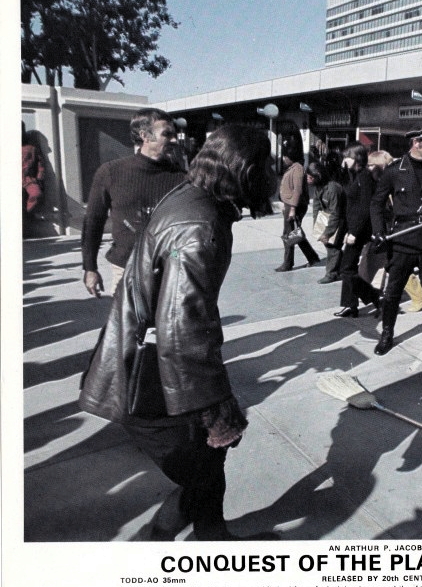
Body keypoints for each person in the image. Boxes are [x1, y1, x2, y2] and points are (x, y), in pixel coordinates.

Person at [80, 125, 278, 541]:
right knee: (204, 469)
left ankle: (207, 540)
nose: (272, 174)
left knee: (206, 471)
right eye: (266, 165)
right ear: (244, 169)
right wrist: (215, 409)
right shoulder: (200, 225)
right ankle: (165, 545)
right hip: (152, 376)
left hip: (146, 363)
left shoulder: (194, 198)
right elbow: (181, 326)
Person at [370, 119, 422, 360]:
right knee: (394, 291)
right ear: (416, 142)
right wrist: (379, 231)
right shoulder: (395, 170)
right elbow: (376, 204)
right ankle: (387, 334)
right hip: (403, 240)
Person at [81, 108, 186, 297]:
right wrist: (90, 268)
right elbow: (92, 222)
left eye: (174, 134)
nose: (174, 140)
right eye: (167, 134)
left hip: (171, 270)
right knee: (126, 318)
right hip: (126, 269)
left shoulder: (182, 178)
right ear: (145, 135)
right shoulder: (111, 173)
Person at [333, 143, 381, 316]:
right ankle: (350, 305)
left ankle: (375, 298)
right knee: (349, 268)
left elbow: (365, 208)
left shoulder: (365, 177)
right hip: (352, 228)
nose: (344, 160)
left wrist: (354, 232)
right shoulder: (354, 176)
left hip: (359, 230)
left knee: (346, 269)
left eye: (347, 157)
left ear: (357, 158)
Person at [275, 139, 321, 272]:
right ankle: (312, 257)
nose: (284, 159)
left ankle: (288, 263)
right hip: (290, 205)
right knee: (295, 233)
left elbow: (297, 190)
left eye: (285, 157)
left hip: (295, 206)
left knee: (288, 234)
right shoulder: (293, 168)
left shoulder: (298, 169)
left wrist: (292, 209)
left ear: (291, 157)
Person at [308, 161, 344, 284]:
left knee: (333, 246)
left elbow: (336, 213)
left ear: (318, 176)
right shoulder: (319, 187)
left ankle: (332, 273)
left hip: (340, 219)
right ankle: (340, 266)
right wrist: (317, 226)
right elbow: (316, 207)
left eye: (311, 177)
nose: (308, 179)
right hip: (327, 217)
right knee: (330, 245)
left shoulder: (333, 189)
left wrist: (327, 233)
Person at [22, 122, 46, 219]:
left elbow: (40, 164)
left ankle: (26, 214)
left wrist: (39, 178)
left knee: (36, 193)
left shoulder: (32, 148)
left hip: (28, 179)